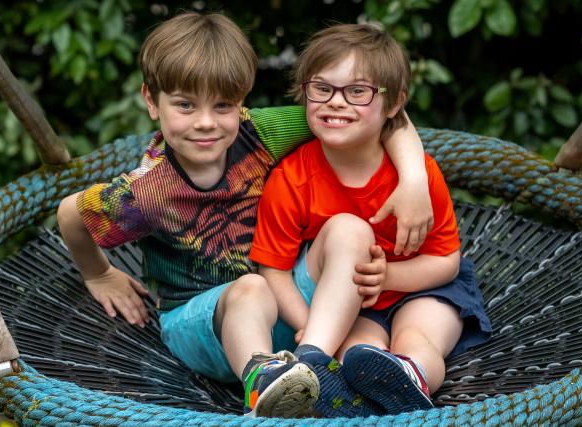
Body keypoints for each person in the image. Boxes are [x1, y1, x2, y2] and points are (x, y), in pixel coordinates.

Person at [57, 12, 434, 419]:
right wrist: (99, 274)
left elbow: (383, 116)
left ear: (241, 103)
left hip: (286, 301)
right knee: (250, 288)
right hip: (204, 326)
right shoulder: (146, 193)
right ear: (152, 100)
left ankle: (315, 360)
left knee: (348, 230)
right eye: (185, 105)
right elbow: (70, 214)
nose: (205, 123)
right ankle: (264, 387)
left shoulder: (260, 133)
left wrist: (414, 180)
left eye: (223, 106)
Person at [249, 23, 492, 418]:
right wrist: (310, 323)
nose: (336, 102)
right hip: (356, 304)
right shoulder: (292, 178)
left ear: (394, 103)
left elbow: (446, 261)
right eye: (322, 88)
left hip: (428, 289)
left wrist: (389, 279)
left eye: (357, 91)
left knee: (415, 336)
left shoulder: (419, 176)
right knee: (355, 353)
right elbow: (272, 269)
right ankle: (363, 397)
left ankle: (412, 378)